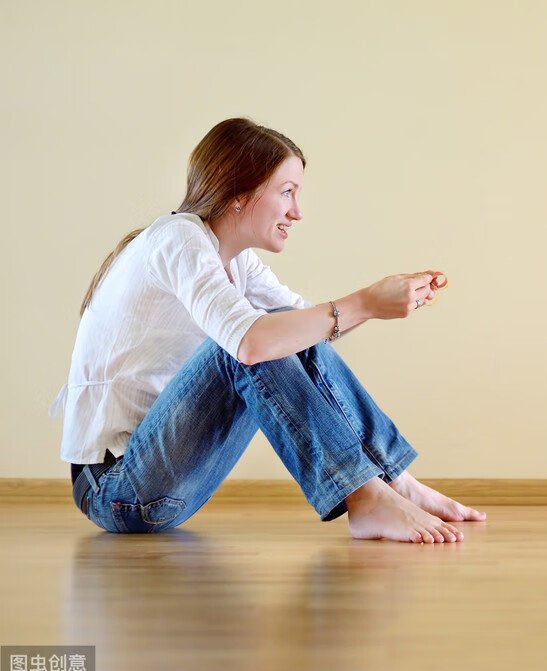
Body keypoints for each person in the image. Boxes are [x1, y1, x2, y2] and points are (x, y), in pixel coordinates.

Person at [50, 117, 485, 543]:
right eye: (287, 192)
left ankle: (393, 481)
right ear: (239, 194)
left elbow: (309, 330)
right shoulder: (177, 238)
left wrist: (380, 303)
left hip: (163, 482)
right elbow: (252, 342)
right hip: (118, 489)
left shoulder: (236, 260)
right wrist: (365, 301)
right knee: (244, 344)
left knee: (284, 329)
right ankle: (366, 497)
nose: (297, 211)